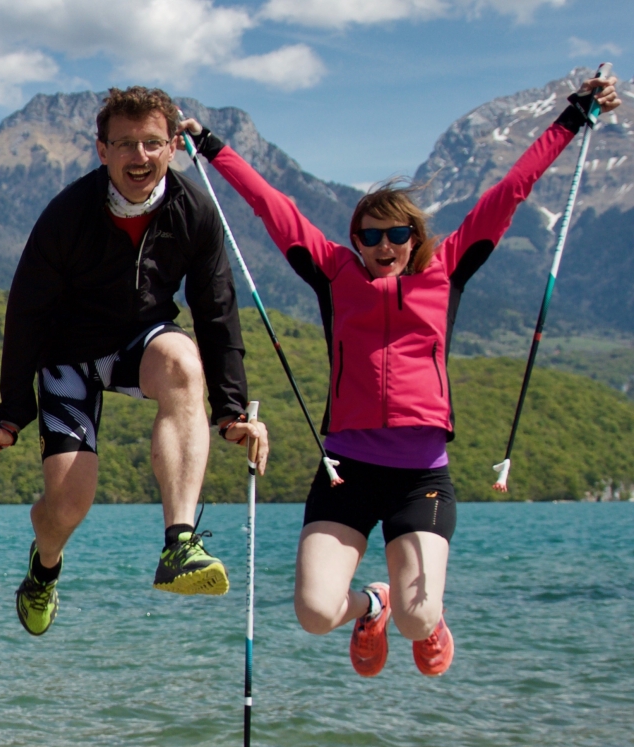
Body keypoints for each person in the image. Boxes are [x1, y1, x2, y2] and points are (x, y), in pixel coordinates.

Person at [183, 74, 621, 677]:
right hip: (346, 473)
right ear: (356, 241)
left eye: (396, 234)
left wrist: (574, 118)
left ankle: (412, 614)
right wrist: (208, 144)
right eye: (370, 235)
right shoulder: (335, 275)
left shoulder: (446, 272)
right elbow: (270, 205)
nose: (383, 245)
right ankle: (373, 602)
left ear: (415, 239)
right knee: (313, 612)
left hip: (421, 478)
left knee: (420, 621)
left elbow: (514, 188)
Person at [0, 86, 268, 638]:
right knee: (67, 505)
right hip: (69, 355)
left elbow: (217, 311)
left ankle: (180, 541)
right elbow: (26, 313)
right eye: (125, 144)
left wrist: (231, 410)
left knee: (183, 360)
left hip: (142, 343)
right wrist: (13, 413)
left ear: (173, 146)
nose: (140, 156)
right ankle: (43, 568)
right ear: (102, 150)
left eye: (152, 143)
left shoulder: (195, 212)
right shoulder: (66, 215)